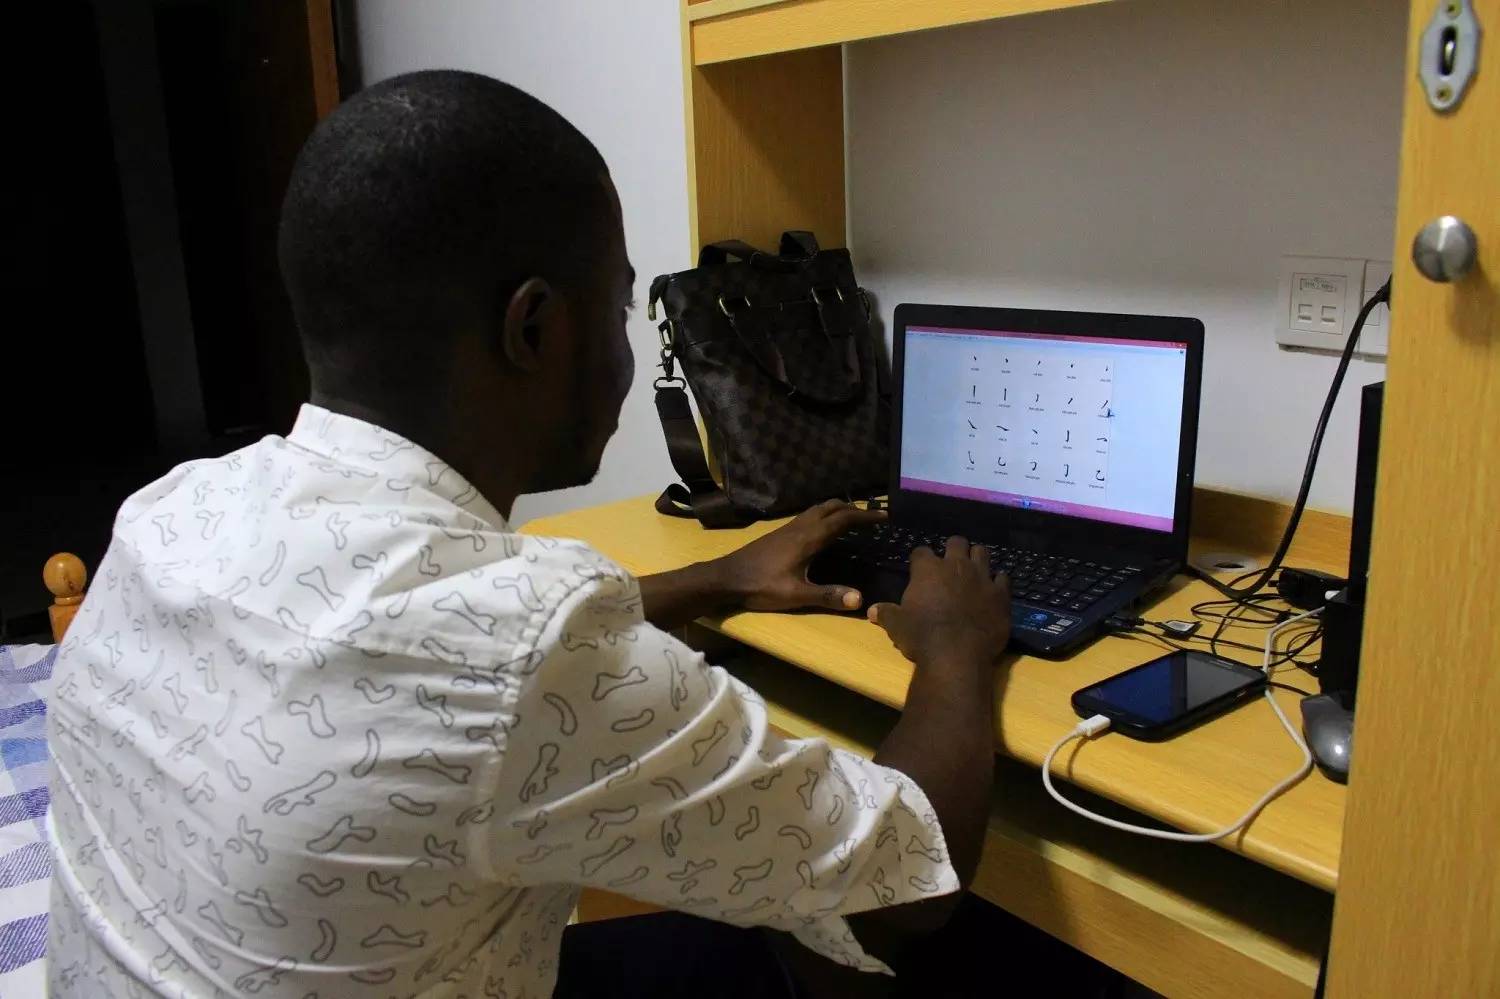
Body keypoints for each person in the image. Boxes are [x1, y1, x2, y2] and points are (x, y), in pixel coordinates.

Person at [45, 70, 1010, 998]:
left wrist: (717, 579)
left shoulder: (174, 510)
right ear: (534, 328)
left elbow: (417, 653)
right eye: (619, 309)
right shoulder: (524, 643)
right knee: (848, 954)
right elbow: (911, 875)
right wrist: (957, 649)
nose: (628, 356)